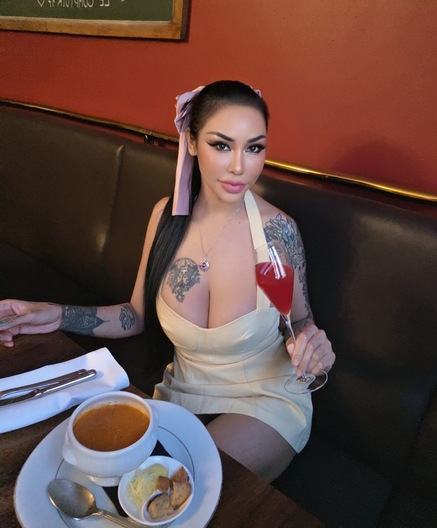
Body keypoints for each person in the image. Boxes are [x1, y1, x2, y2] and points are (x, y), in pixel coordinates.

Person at [0, 80, 335, 481]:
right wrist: (56, 314)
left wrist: (312, 348)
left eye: (254, 148)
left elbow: (299, 321)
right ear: (191, 142)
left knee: (184, 483)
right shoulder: (165, 218)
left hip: (264, 399)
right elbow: (135, 315)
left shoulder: (278, 231)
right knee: (100, 474)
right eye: (221, 145)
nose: (239, 167)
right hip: (182, 392)